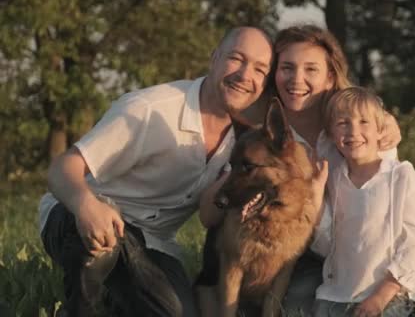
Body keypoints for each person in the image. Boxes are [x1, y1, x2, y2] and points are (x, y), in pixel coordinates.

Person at [198, 24, 415, 315]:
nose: (297, 79)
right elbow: (208, 215)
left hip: (365, 249)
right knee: (294, 309)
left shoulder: (356, 128)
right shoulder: (260, 131)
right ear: (274, 73)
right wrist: (236, 181)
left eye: (311, 69)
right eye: (287, 67)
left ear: (330, 77)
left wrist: (386, 121)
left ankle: (402, 302)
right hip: (304, 253)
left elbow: (393, 203)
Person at [38, 26, 274, 316]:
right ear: (214, 58)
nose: (245, 75)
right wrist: (85, 204)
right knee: (101, 247)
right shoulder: (149, 109)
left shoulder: (245, 142)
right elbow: (62, 168)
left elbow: (207, 215)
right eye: (237, 58)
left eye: (260, 70)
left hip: (153, 242)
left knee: (178, 312)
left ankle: (119, 299)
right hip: (80, 215)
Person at [311, 86, 415, 317]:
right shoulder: (333, 180)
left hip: (389, 292)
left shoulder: (401, 177)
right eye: (343, 123)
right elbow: (326, 247)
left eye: (364, 122)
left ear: (380, 131)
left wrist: (381, 296)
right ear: (332, 135)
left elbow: (414, 241)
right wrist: (315, 198)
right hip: (336, 293)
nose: (353, 131)